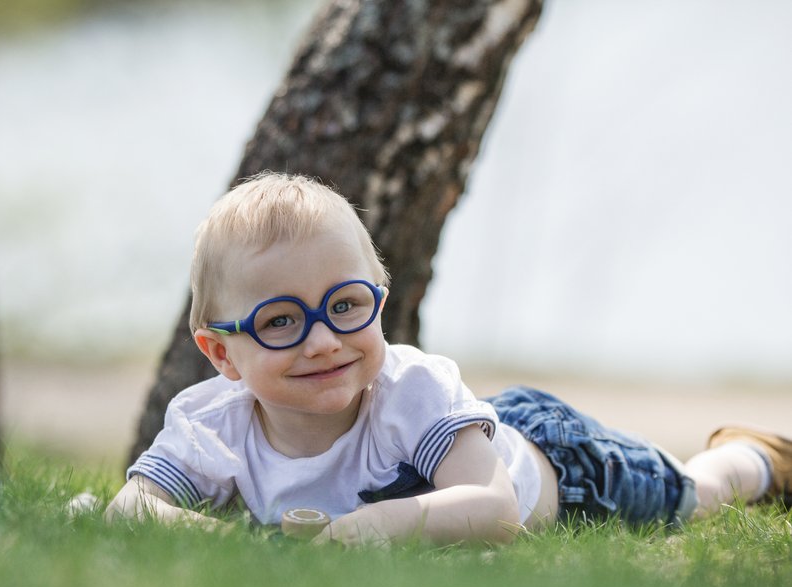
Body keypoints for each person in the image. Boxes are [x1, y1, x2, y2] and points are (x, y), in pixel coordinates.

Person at [106, 172, 792, 546]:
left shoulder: (409, 391)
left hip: (560, 466)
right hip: (477, 432)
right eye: (280, 321)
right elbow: (132, 505)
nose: (323, 341)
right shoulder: (210, 423)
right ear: (222, 353)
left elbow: (492, 510)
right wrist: (235, 546)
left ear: (378, 296)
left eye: (345, 305)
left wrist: (368, 528)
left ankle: (757, 456)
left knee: (690, 494)